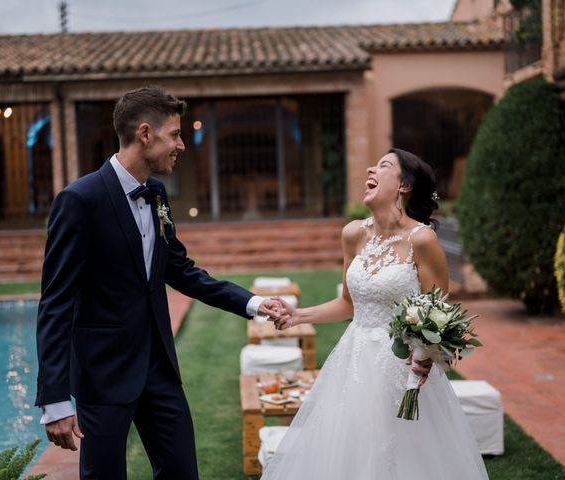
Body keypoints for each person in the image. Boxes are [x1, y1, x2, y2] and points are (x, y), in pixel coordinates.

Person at [35, 86, 283, 480]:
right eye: (175, 134)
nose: (182, 144)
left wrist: (252, 304)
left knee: (182, 473)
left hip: (158, 369)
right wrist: (54, 399)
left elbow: (180, 269)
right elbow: (56, 302)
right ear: (145, 134)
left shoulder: (155, 193)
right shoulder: (80, 200)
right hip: (104, 374)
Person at [263, 149, 488, 479]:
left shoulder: (422, 239)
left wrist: (426, 355)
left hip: (403, 368)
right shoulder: (353, 234)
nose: (371, 167)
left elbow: (440, 312)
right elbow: (348, 304)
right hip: (353, 363)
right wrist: (298, 316)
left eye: (383, 166)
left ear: (404, 185)